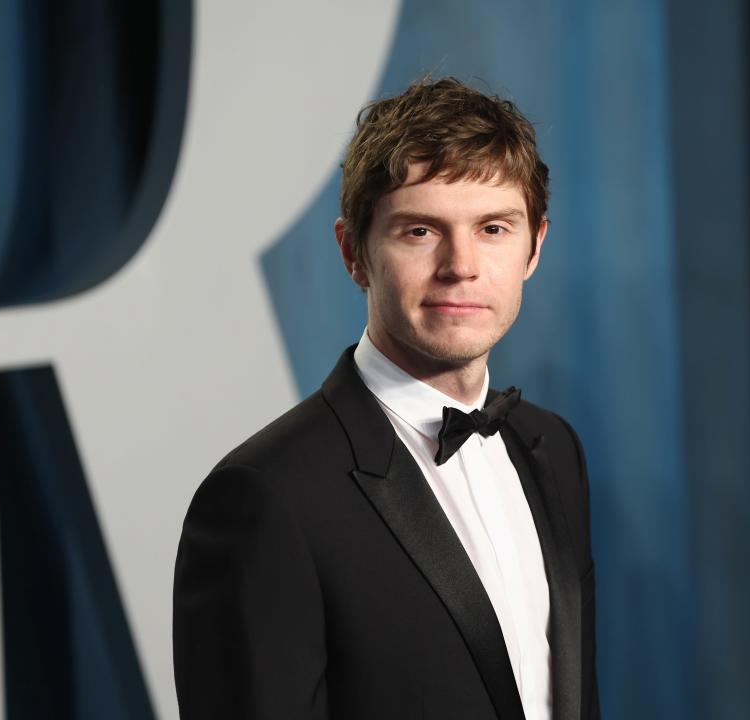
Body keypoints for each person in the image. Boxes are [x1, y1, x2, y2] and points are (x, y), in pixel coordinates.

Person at [173, 77, 599, 720]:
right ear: (354, 253)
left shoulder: (553, 448)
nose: (462, 264)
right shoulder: (265, 496)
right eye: (421, 231)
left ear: (534, 246)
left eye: (493, 228)